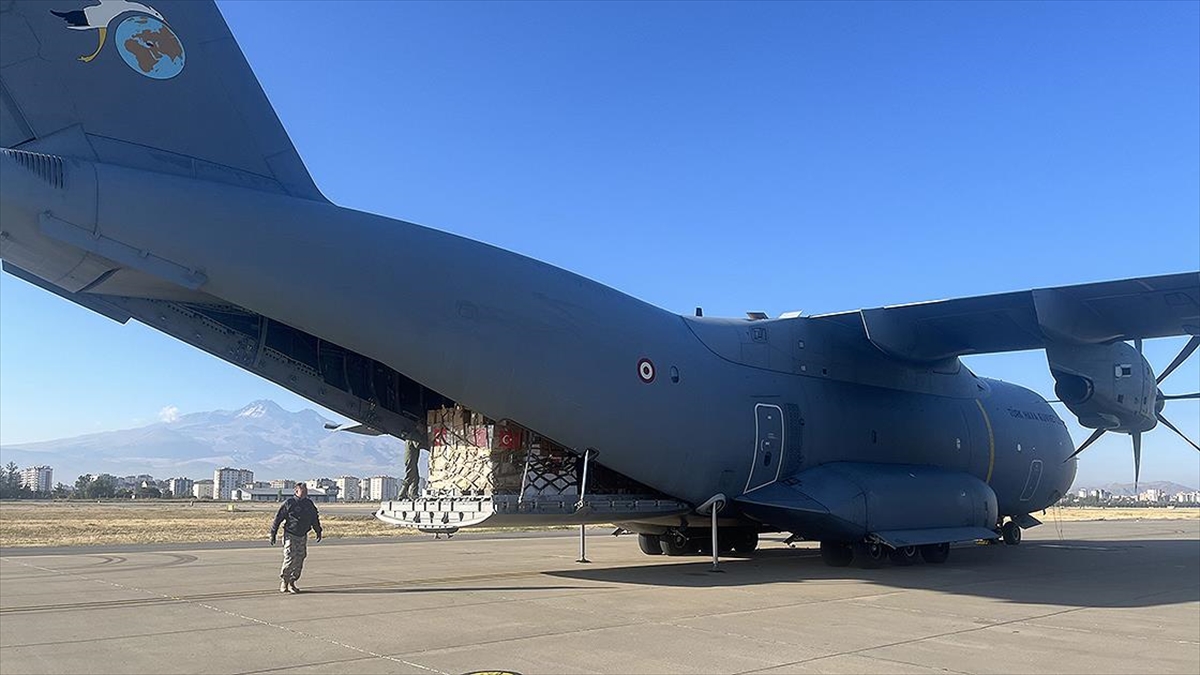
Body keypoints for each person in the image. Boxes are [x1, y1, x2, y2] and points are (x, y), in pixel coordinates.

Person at [269, 482, 322, 593]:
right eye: (303, 491)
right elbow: (278, 519)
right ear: (296, 491)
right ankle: (285, 581)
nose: (305, 493)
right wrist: (273, 533)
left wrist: (318, 530)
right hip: (290, 534)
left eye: (306, 491)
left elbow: (314, 518)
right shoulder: (289, 503)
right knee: (289, 557)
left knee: (300, 558)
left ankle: (292, 582)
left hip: (302, 535)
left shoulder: (309, 504)